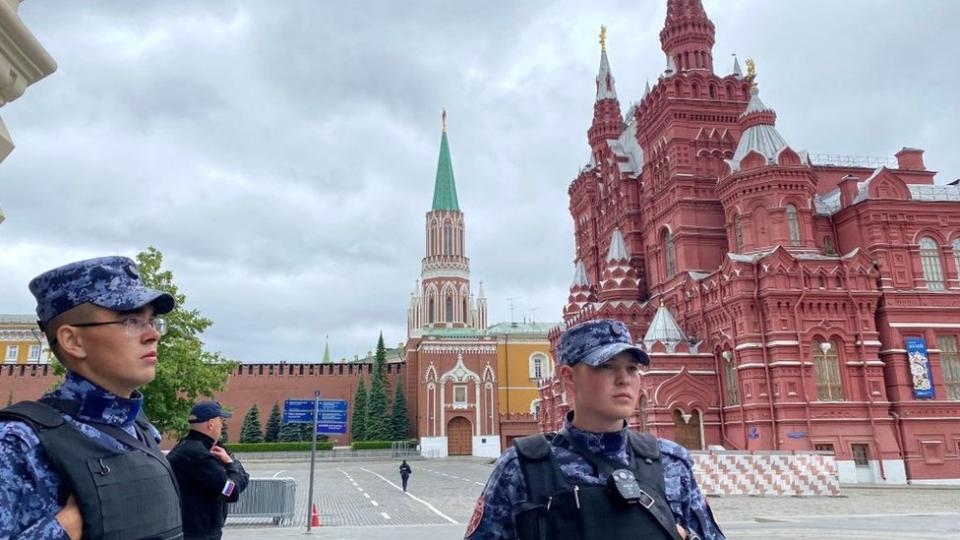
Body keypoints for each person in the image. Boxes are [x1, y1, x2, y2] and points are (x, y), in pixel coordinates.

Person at [465, 319, 724, 540]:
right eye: (606, 366)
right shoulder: (523, 466)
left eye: (632, 368)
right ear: (568, 377)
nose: (624, 379)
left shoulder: (670, 461)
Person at [0, 256, 183, 540]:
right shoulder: (19, 443)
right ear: (73, 341)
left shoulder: (141, 430)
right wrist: (64, 530)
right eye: (131, 320)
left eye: (152, 321)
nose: (152, 335)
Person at [167, 400, 250, 540]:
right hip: (199, 533)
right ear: (210, 424)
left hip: (185, 529)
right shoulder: (201, 456)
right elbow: (230, 492)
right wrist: (232, 464)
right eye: (221, 421)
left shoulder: (183, 447)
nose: (222, 426)